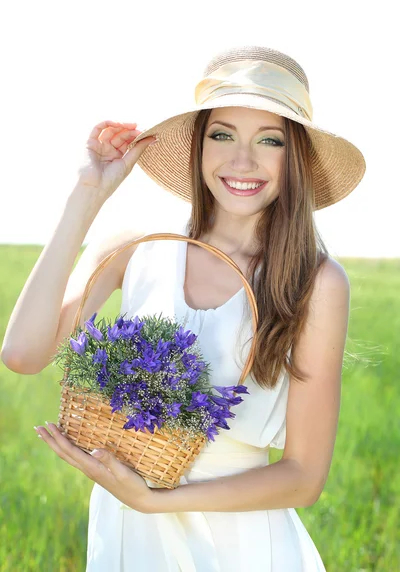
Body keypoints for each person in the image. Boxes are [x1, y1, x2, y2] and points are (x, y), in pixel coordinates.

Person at [1, 45, 366, 571]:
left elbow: (304, 476)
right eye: (222, 135)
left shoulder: (315, 281)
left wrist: (157, 500)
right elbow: (22, 353)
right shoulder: (138, 245)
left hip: (240, 543)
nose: (243, 161)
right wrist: (88, 194)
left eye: (270, 140)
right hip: (127, 534)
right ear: (198, 146)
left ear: (297, 159)